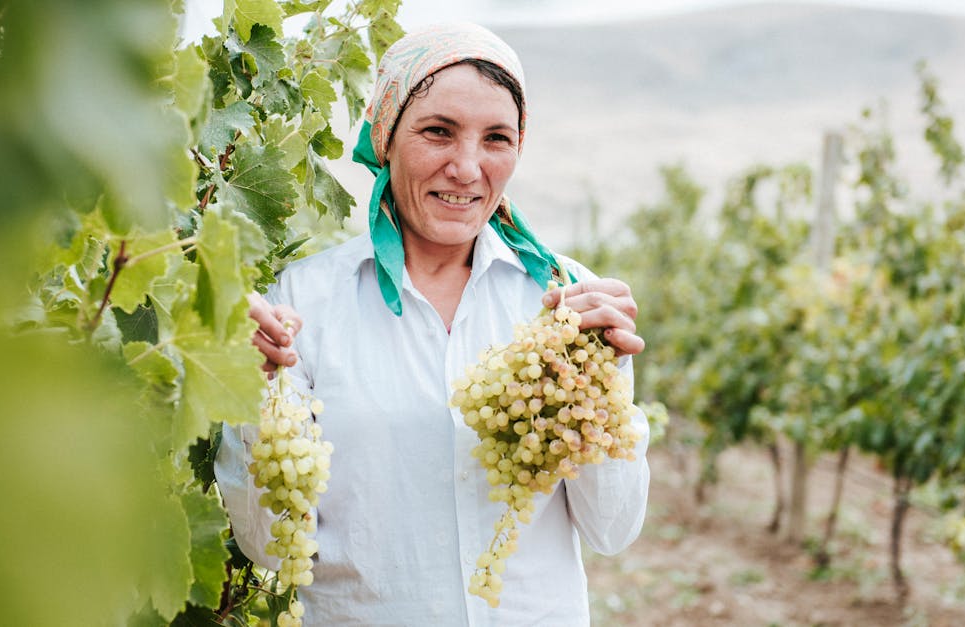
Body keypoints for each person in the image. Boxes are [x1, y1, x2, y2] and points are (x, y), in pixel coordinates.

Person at [215, 22, 650, 626]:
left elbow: (613, 529)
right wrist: (250, 390)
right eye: (438, 132)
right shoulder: (304, 299)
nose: (467, 168)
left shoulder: (567, 301)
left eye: (496, 138)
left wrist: (601, 388)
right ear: (386, 137)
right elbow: (270, 543)